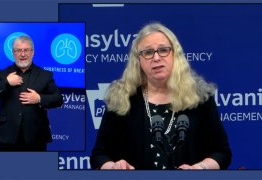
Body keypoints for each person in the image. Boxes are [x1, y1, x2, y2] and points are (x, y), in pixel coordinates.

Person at [90, 22, 232, 170]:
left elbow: (222, 153)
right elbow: (99, 156)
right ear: (138, 61)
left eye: (163, 50)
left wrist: (200, 168)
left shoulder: (200, 97)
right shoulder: (121, 98)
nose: (156, 58)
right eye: (148, 52)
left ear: (175, 55)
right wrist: (113, 166)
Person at [0, 35, 63, 151]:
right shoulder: (2, 74)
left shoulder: (45, 75)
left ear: (32, 52)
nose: (23, 54)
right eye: (19, 50)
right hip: (8, 137)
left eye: (26, 50)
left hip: (36, 137)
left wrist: (39, 98)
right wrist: (6, 82)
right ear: (13, 53)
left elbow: (58, 99)